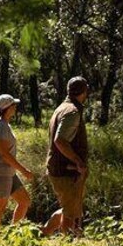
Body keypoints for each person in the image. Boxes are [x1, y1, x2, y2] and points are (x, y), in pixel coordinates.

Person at [43, 76, 89, 236]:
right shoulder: (72, 112)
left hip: (61, 169)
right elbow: (60, 141)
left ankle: (44, 233)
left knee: (70, 208)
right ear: (85, 92)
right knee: (71, 214)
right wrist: (78, 162)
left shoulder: (62, 108)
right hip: (66, 171)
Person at [0, 94, 34, 231]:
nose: (15, 107)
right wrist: (24, 171)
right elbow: (4, 154)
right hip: (0, 173)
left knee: (24, 201)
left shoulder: (5, 125)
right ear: (8, 108)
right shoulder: (0, 127)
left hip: (8, 173)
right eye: (14, 105)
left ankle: (12, 234)